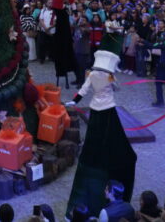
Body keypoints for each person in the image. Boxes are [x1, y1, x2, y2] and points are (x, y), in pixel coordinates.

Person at [64, 50, 137, 219]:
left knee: (95, 135)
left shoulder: (91, 75)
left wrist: (74, 101)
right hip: (108, 108)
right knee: (109, 135)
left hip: (96, 108)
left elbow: (83, 90)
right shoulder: (109, 77)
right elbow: (117, 89)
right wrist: (113, 79)